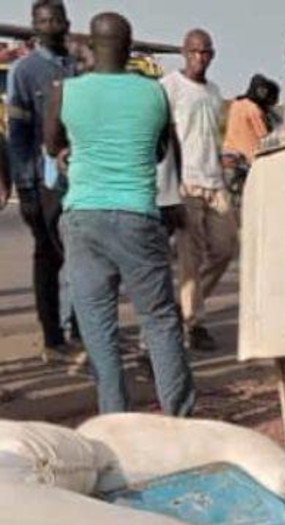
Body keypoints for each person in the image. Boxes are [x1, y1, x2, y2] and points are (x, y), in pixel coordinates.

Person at [44, 12, 194, 417]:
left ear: (91, 48)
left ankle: (115, 420)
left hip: (84, 218)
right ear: (130, 50)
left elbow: (51, 145)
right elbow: (161, 151)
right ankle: (179, 420)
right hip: (138, 218)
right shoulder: (155, 94)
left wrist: (69, 153)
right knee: (160, 320)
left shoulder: (63, 91)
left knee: (98, 328)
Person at [6, 0, 77, 363]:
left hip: (78, 180)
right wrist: (24, 183)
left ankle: (81, 331)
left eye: (55, 19)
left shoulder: (75, 67)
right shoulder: (23, 71)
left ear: (66, 22)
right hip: (40, 179)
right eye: (42, 20)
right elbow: (17, 134)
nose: (49, 25)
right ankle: (53, 337)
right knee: (48, 257)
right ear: (34, 26)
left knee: (82, 256)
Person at [161, 28, 235, 353]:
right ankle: (194, 323)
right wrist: (167, 184)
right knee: (190, 257)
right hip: (186, 182)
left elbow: (214, 138)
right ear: (183, 52)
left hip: (214, 181)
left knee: (225, 248)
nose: (199, 58)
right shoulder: (170, 87)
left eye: (205, 52)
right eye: (194, 52)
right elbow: (161, 136)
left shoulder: (215, 92)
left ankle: (186, 305)